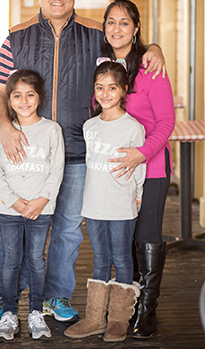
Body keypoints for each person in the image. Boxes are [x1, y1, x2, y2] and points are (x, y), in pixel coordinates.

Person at [0, 0, 166, 329]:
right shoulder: (16, 37)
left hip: (79, 151)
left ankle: (54, 298)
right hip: (27, 153)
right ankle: (4, 302)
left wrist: (155, 47)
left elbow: (125, 48)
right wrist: (4, 128)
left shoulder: (95, 34)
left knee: (67, 229)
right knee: (15, 230)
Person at [97, 0, 175, 338]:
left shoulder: (150, 65)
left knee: (146, 236)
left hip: (152, 164)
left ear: (136, 28)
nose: (117, 29)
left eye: (124, 23)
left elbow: (166, 121)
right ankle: (127, 306)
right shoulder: (100, 65)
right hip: (115, 168)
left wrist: (141, 154)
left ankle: (148, 310)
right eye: (111, 22)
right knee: (124, 240)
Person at [64, 60, 146, 342]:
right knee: (100, 259)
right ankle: (95, 318)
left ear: (124, 90)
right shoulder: (90, 126)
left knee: (122, 259)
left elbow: (139, 169)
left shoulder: (133, 128)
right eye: (100, 87)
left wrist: (136, 198)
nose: (105, 93)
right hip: (95, 203)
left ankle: (118, 321)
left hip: (122, 204)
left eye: (112, 87)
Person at [0, 69, 65, 341]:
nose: (23, 100)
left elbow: (57, 170)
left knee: (35, 260)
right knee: (10, 261)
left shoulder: (51, 130)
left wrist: (42, 200)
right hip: (10, 209)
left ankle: (35, 312)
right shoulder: (2, 133)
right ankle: (9, 312)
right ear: (9, 101)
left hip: (40, 209)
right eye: (17, 95)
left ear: (39, 97)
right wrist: (16, 201)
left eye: (30, 94)